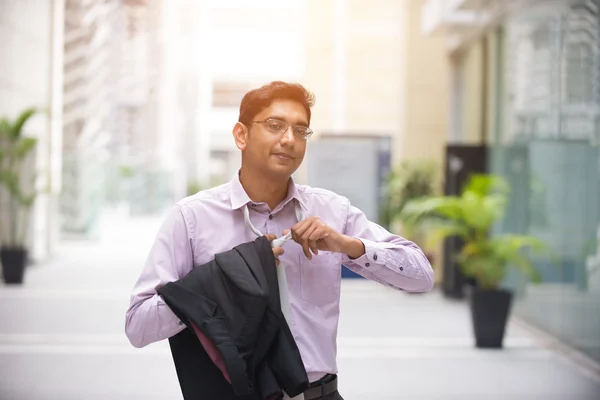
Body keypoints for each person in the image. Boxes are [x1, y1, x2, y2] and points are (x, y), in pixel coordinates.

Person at [125, 81, 434, 400]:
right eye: (275, 125)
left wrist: (347, 245)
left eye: (301, 131)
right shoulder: (191, 218)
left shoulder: (331, 211)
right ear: (241, 135)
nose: (289, 139)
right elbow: (138, 326)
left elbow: (421, 277)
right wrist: (220, 283)